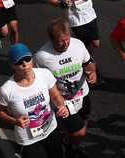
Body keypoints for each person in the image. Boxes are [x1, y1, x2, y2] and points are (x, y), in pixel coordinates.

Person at [34, 19, 97, 158]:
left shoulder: (78, 45)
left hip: (82, 92)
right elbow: (36, 80)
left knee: (83, 127)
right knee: (78, 132)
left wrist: (92, 72)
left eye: (67, 39)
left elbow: (89, 63)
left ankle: (74, 148)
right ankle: (64, 143)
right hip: (63, 99)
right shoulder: (42, 56)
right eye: (60, 41)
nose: (65, 44)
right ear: (51, 39)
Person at [0, 43, 69, 158]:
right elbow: (0, 111)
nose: (25, 64)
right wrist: (15, 121)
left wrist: (61, 105)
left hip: (51, 129)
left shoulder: (44, 74)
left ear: (31, 58)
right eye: (19, 62)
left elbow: (55, 95)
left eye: (27, 59)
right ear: (12, 65)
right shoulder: (6, 90)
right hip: (28, 139)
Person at [47, 0, 104, 85]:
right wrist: (62, 4)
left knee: (96, 44)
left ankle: (85, 62)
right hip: (77, 21)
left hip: (91, 15)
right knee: (89, 48)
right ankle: (95, 72)